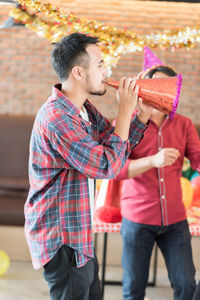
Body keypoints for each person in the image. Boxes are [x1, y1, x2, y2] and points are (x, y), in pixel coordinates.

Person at [24, 32, 151, 300]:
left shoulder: (82, 109)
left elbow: (112, 143)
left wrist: (139, 115)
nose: (108, 71)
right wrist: (125, 113)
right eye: (101, 64)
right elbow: (107, 166)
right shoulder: (58, 118)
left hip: (77, 232)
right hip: (62, 238)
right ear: (79, 73)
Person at [115, 65, 200, 300]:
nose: (166, 92)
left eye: (171, 87)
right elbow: (117, 169)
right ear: (147, 87)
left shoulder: (184, 124)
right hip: (137, 219)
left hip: (175, 221)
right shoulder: (127, 123)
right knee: (133, 289)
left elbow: (197, 159)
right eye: (160, 86)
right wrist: (153, 160)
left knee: (186, 286)